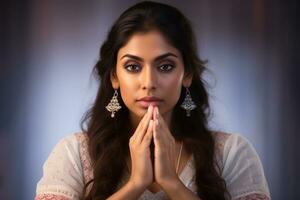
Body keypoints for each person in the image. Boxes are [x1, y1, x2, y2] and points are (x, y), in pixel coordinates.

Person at [35, 1, 270, 200]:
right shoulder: (74, 153)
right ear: (114, 77)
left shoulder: (232, 153)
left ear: (186, 74)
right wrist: (135, 185)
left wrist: (173, 184)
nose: (149, 82)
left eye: (165, 66)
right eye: (133, 67)